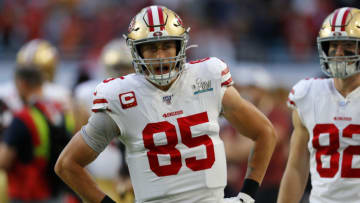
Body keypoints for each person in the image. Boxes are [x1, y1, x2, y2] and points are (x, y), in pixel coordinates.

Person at [55, 5, 277, 203]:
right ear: (136, 51)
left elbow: (265, 132)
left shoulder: (207, 77)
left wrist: (247, 194)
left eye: (166, 46)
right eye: (151, 48)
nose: (160, 56)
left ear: (180, 47)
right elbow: (67, 164)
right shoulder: (121, 96)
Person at [277, 7, 360, 203]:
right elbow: (296, 167)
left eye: (347, 44)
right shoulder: (308, 94)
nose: (338, 52)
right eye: (333, 44)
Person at [73, 38, 134, 203]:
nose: (121, 72)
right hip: (102, 175)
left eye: (126, 67)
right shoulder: (89, 93)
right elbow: (78, 135)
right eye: (117, 67)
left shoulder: (143, 92)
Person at [0, 65, 70, 202]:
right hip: (57, 189)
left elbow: (3, 162)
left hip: (27, 193)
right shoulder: (59, 109)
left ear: (21, 83)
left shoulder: (23, 117)